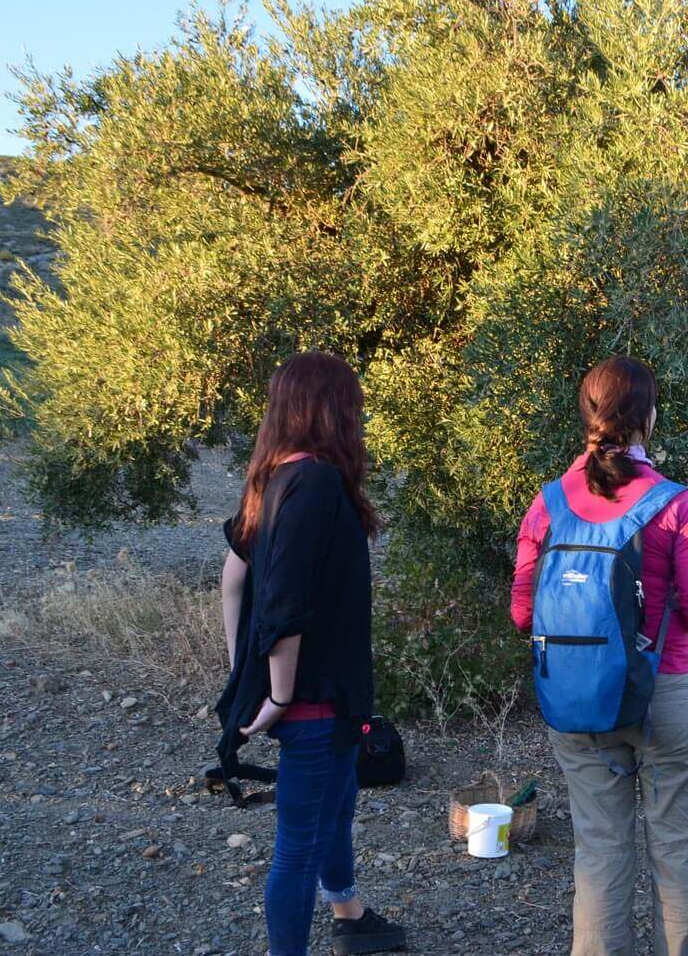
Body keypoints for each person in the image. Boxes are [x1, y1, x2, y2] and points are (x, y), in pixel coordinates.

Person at [511, 357, 688, 956]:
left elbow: (523, 612)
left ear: (587, 414)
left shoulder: (547, 504)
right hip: (664, 692)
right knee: (678, 848)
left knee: (600, 850)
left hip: (577, 699)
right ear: (646, 418)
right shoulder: (674, 504)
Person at [217, 352, 406, 956]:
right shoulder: (315, 483)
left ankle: (350, 916)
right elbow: (284, 603)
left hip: (326, 698)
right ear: (333, 410)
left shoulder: (272, 480)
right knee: (298, 847)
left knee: (337, 805)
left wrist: (242, 671)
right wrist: (276, 692)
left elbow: (232, 582)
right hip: (314, 701)